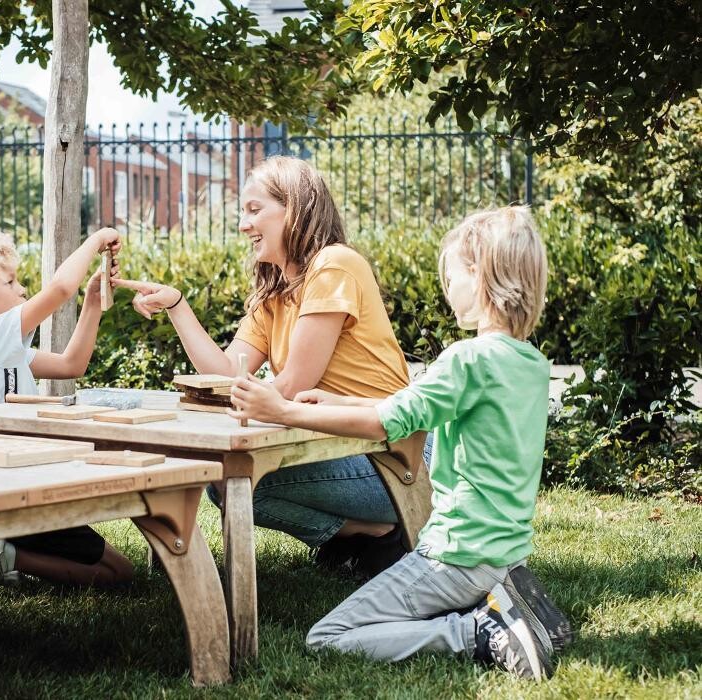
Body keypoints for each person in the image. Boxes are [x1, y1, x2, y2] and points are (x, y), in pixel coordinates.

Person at [228, 206, 572, 679]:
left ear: (481, 275)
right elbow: (407, 406)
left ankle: (479, 631)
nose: (448, 289)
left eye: (452, 276)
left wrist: (284, 411)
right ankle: (509, 601)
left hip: (458, 556)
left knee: (327, 637)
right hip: (507, 551)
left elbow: (386, 422)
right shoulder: (530, 363)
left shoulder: (466, 361)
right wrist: (334, 400)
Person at [115, 156, 413, 577]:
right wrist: (177, 305)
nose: (243, 225)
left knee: (232, 481)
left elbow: (291, 387)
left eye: (255, 210)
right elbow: (226, 372)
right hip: (338, 448)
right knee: (225, 484)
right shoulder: (275, 292)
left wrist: (246, 402)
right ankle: (371, 534)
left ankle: (379, 529)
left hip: (392, 457)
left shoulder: (335, 265)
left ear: (295, 208)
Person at [0, 227, 134, 587]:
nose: (22, 290)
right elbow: (60, 290)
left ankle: (5, 552)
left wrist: (92, 302)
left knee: (119, 572)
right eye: (11, 282)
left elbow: (70, 365)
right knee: (119, 575)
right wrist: (95, 241)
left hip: (21, 483)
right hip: (6, 489)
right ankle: (4, 554)